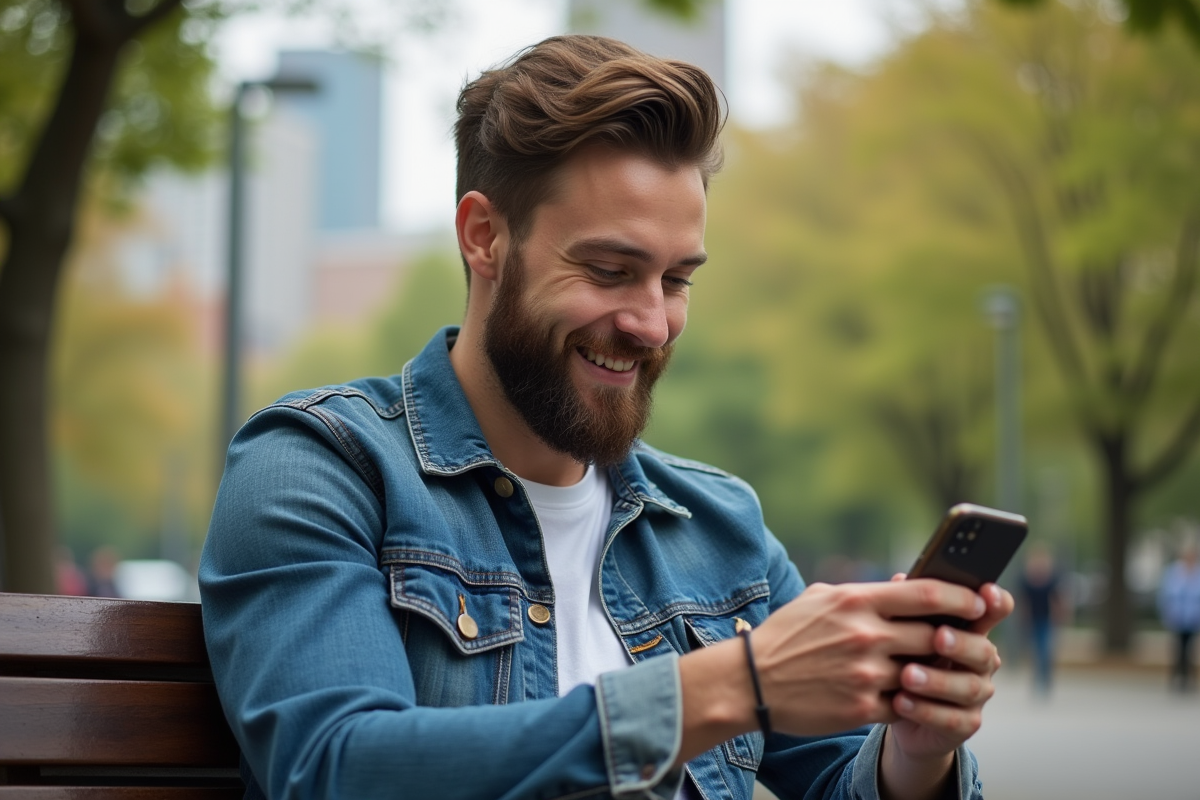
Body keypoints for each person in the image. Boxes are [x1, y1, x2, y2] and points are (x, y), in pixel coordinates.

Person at [200, 36, 1013, 800]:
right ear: (485, 238)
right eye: (610, 269)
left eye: (676, 280)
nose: (651, 323)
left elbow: (847, 780)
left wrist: (918, 747)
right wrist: (735, 684)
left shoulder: (718, 526)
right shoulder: (320, 468)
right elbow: (335, 768)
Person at [1017, 543, 1063, 695]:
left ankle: (1046, 678)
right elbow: (1024, 601)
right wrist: (1024, 617)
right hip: (1033, 620)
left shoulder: (1051, 578)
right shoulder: (1027, 579)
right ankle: (1037, 678)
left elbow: (1056, 599)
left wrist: (1059, 615)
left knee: (1045, 650)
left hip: (1047, 619)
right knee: (1036, 651)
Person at [1158, 540, 1200, 692]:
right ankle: (1175, 679)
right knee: (1177, 650)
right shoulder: (1173, 572)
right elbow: (1165, 595)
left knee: (1190, 650)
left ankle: (1189, 679)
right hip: (1177, 617)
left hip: (1193, 618)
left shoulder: (1197, 573)